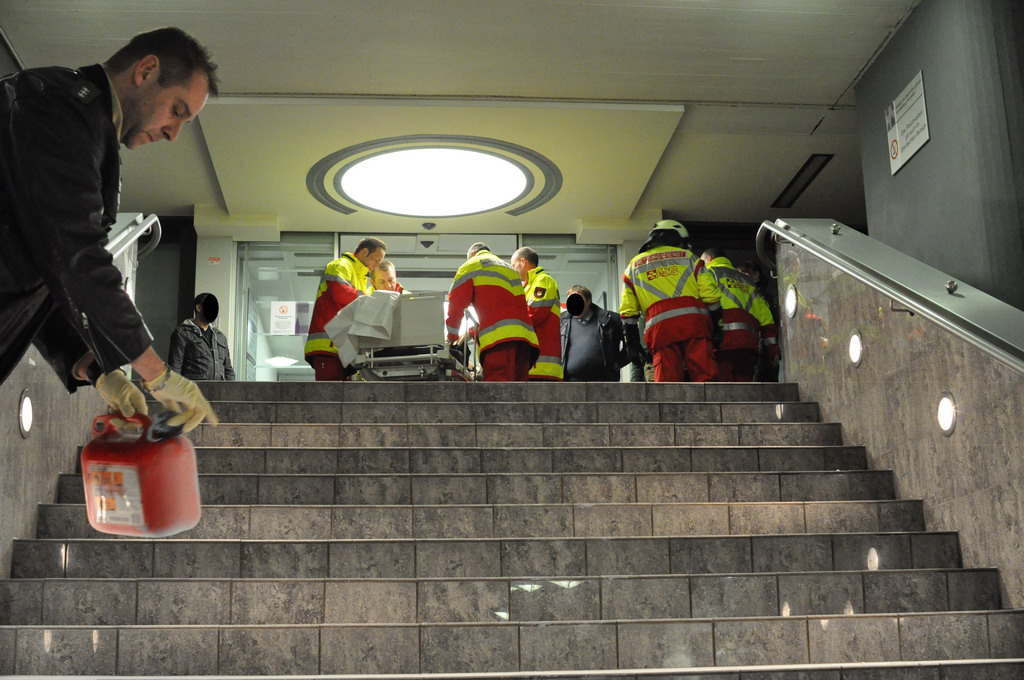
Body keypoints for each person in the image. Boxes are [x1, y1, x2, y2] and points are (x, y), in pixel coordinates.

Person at [0, 27, 219, 431]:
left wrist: (95, 367)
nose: (174, 134)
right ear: (146, 70)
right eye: (177, 111)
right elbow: (75, 257)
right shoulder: (55, 107)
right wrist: (155, 372)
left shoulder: (82, 125)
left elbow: (43, 277)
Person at [619, 220, 721, 382]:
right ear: (677, 239)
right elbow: (711, 296)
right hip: (694, 324)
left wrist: (631, 342)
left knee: (668, 383)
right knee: (705, 377)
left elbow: (628, 311)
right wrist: (716, 325)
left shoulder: (633, 266)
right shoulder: (690, 258)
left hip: (660, 329)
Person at [446, 242, 539, 381]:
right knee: (519, 394)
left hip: (499, 344)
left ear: (472, 254)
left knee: (497, 394)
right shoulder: (510, 269)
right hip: (525, 343)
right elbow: (506, 307)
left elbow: (456, 304)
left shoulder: (471, 265)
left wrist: (451, 338)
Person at [304, 237, 387, 381]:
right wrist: (371, 302)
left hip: (342, 348)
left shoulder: (359, 276)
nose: (376, 265)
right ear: (364, 252)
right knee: (330, 397)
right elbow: (340, 293)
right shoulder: (341, 265)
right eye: (376, 260)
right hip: (328, 346)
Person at [510, 247, 563, 381]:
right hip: (531, 365)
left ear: (523, 262)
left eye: (513, 265)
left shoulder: (543, 280)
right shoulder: (526, 286)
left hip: (543, 368)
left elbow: (534, 314)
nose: (513, 269)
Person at [560, 285, 626, 381]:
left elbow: (632, 342)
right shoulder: (562, 321)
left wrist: (619, 362)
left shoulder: (611, 319)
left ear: (588, 301)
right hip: (570, 383)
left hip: (604, 382)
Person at [168, 293, 235, 381]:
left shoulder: (220, 336)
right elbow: (175, 367)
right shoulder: (182, 333)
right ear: (198, 308)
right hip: (194, 391)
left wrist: (231, 392)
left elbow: (228, 370)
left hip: (219, 392)